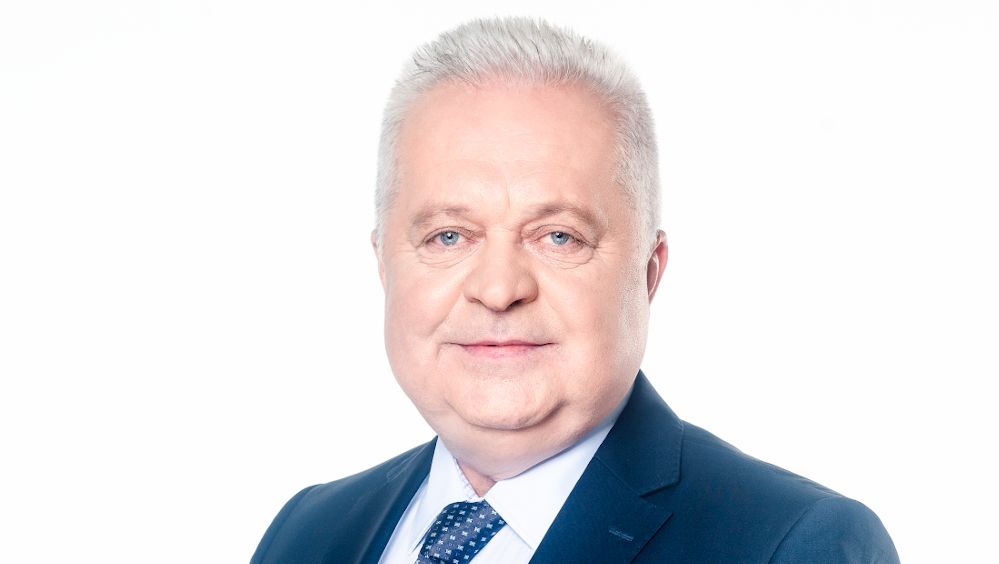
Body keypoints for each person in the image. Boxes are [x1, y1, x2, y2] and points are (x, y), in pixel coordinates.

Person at [251, 17, 899, 564]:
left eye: (558, 236)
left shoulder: (792, 544)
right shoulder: (306, 532)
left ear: (648, 272)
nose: (498, 288)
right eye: (448, 236)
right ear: (384, 267)